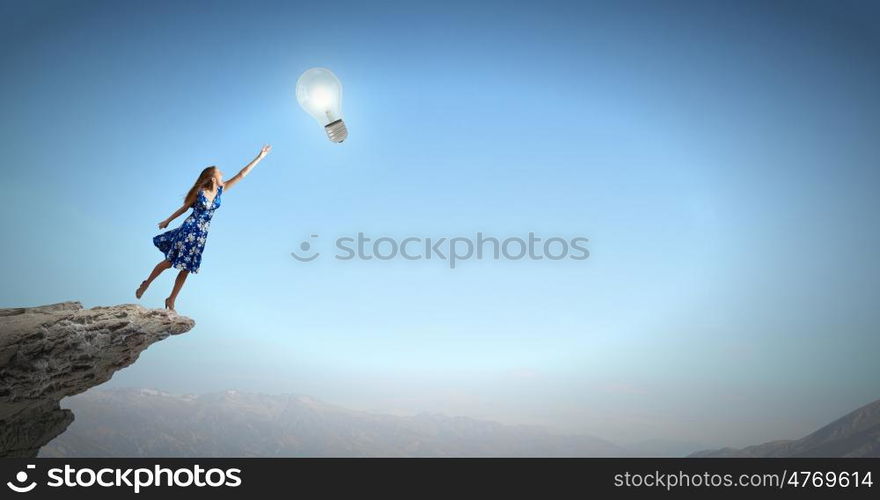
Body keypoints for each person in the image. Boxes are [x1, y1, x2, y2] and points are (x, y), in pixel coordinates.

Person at [136, 145, 272, 311]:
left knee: (187, 268)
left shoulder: (221, 190)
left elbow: (242, 174)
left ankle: (171, 300)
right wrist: (168, 220)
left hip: (201, 235)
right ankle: (147, 283)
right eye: (219, 172)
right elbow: (185, 208)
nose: (222, 174)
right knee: (169, 262)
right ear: (213, 178)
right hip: (189, 229)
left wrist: (260, 157)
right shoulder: (200, 192)